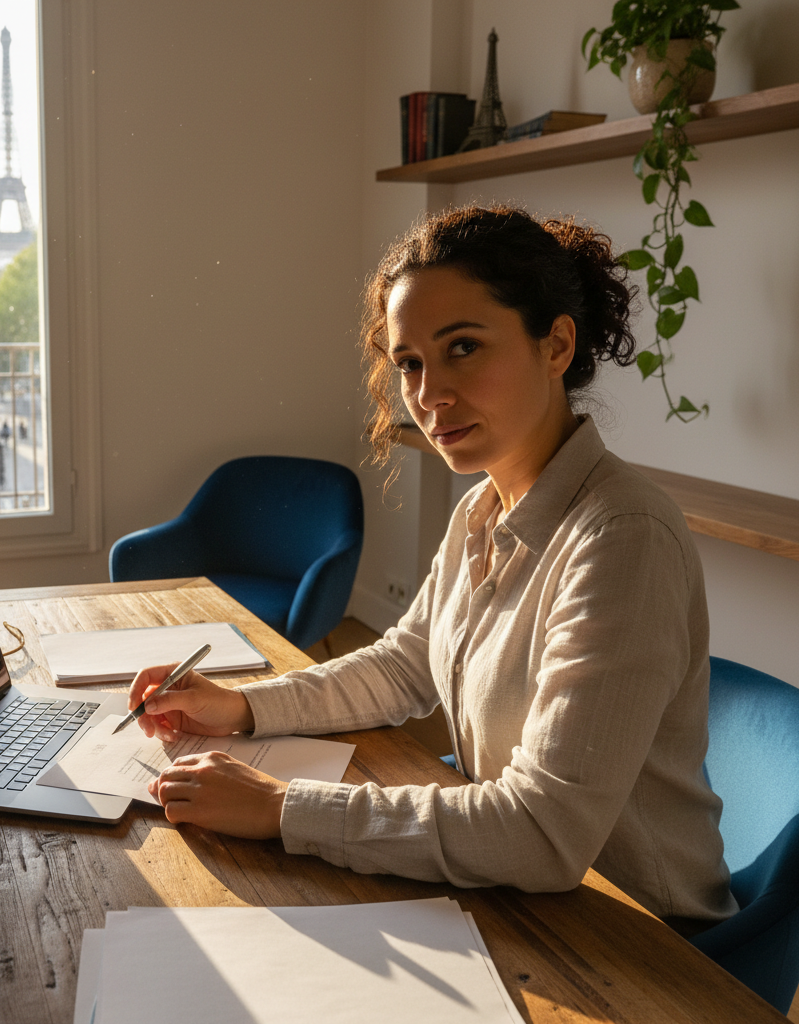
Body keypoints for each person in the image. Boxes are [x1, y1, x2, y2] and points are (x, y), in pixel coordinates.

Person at [127, 205, 738, 931]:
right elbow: (405, 665)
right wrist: (242, 706)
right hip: (514, 891)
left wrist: (283, 808)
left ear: (557, 344)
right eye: (410, 363)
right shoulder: (484, 508)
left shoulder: (622, 539)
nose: (429, 394)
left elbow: (544, 834)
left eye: (464, 348)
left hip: (638, 937)